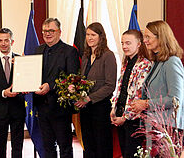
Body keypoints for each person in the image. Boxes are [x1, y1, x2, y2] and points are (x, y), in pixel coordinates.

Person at [34, 18, 79, 158]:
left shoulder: (69, 51)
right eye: (45, 31)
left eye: (51, 31)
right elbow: (34, 73)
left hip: (60, 108)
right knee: (48, 147)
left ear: (59, 32)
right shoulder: (38, 49)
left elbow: (72, 78)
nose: (48, 34)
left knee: (64, 147)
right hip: (42, 106)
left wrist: (51, 86)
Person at [131, 20, 184, 129]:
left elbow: (175, 99)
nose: (145, 41)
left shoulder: (171, 62)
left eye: (148, 37)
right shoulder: (157, 62)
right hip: (154, 124)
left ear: (161, 37)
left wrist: (146, 103)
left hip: (167, 126)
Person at [74, 22, 117, 158]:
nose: (89, 38)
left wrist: (89, 98)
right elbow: (83, 80)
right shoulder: (86, 56)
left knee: (101, 145)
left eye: (93, 35)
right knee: (88, 144)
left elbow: (110, 86)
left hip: (100, 108)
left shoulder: (108, 55)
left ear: (101, 37)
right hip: (85, 108)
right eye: (87, 34)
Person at [110, 29, 152, 158]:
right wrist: (114, 108)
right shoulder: (126, 63)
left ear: (139, 44)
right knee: (124, 152)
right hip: (121, 114)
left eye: (128, 43)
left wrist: (125, 117)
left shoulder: (145, 64)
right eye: (122, 43)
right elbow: (121, 88)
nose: (124, 47)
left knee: (132, 154)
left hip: (134, 118)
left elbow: (138, 94)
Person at [0, 28, 25, 158]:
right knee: (0, 147)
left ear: (12, 42)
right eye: (0, 40)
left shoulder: (21, 60)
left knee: (17, 146)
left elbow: (26, 83)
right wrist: (4, 92)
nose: (3, 43)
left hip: (17, 109)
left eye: (6, 40)